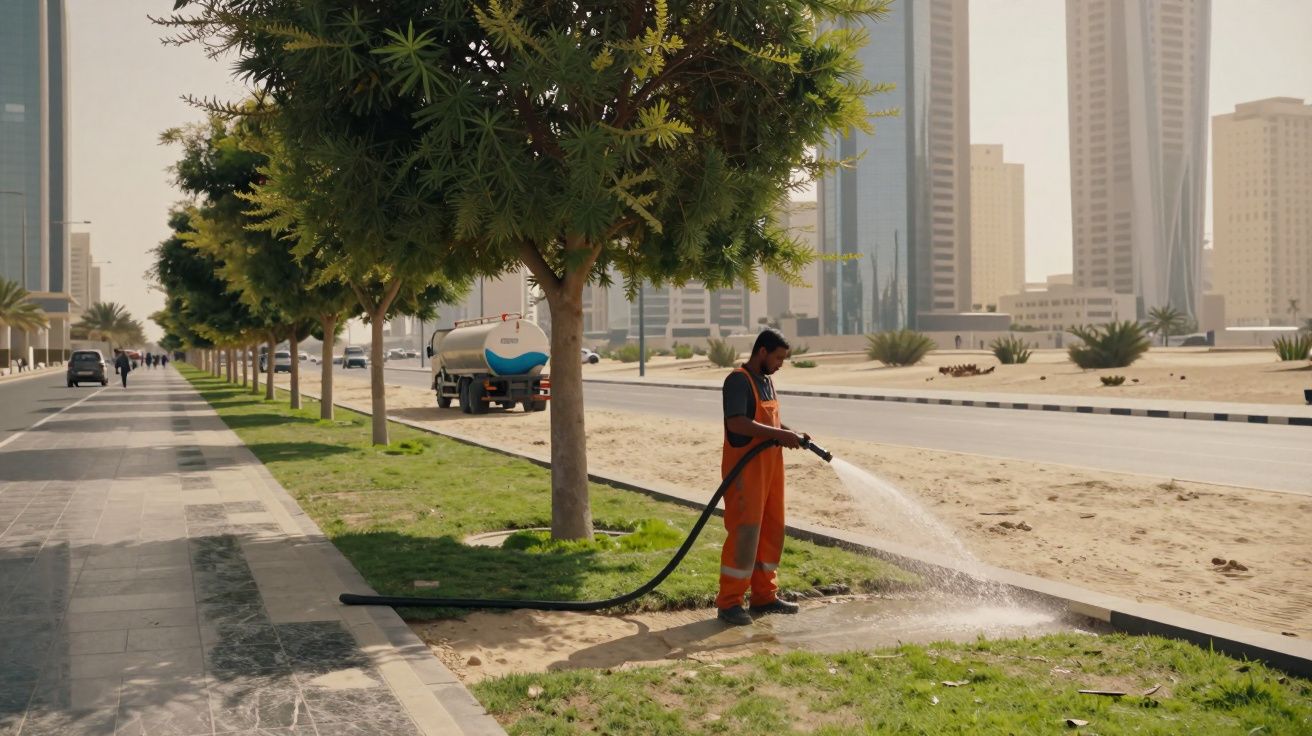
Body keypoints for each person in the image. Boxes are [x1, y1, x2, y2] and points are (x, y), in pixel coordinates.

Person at [716, 328, 811, 626]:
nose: (781, 364)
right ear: (762, 352)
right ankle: (729, 603)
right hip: (745, 473)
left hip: (770, 470)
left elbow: (770, 422)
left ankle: (764, 596)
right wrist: (779, 435)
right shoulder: (738, 381)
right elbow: (738, 423)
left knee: (771, 530)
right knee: (745, 533)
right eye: (778, 358)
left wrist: (791, 433)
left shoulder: (766, 381)